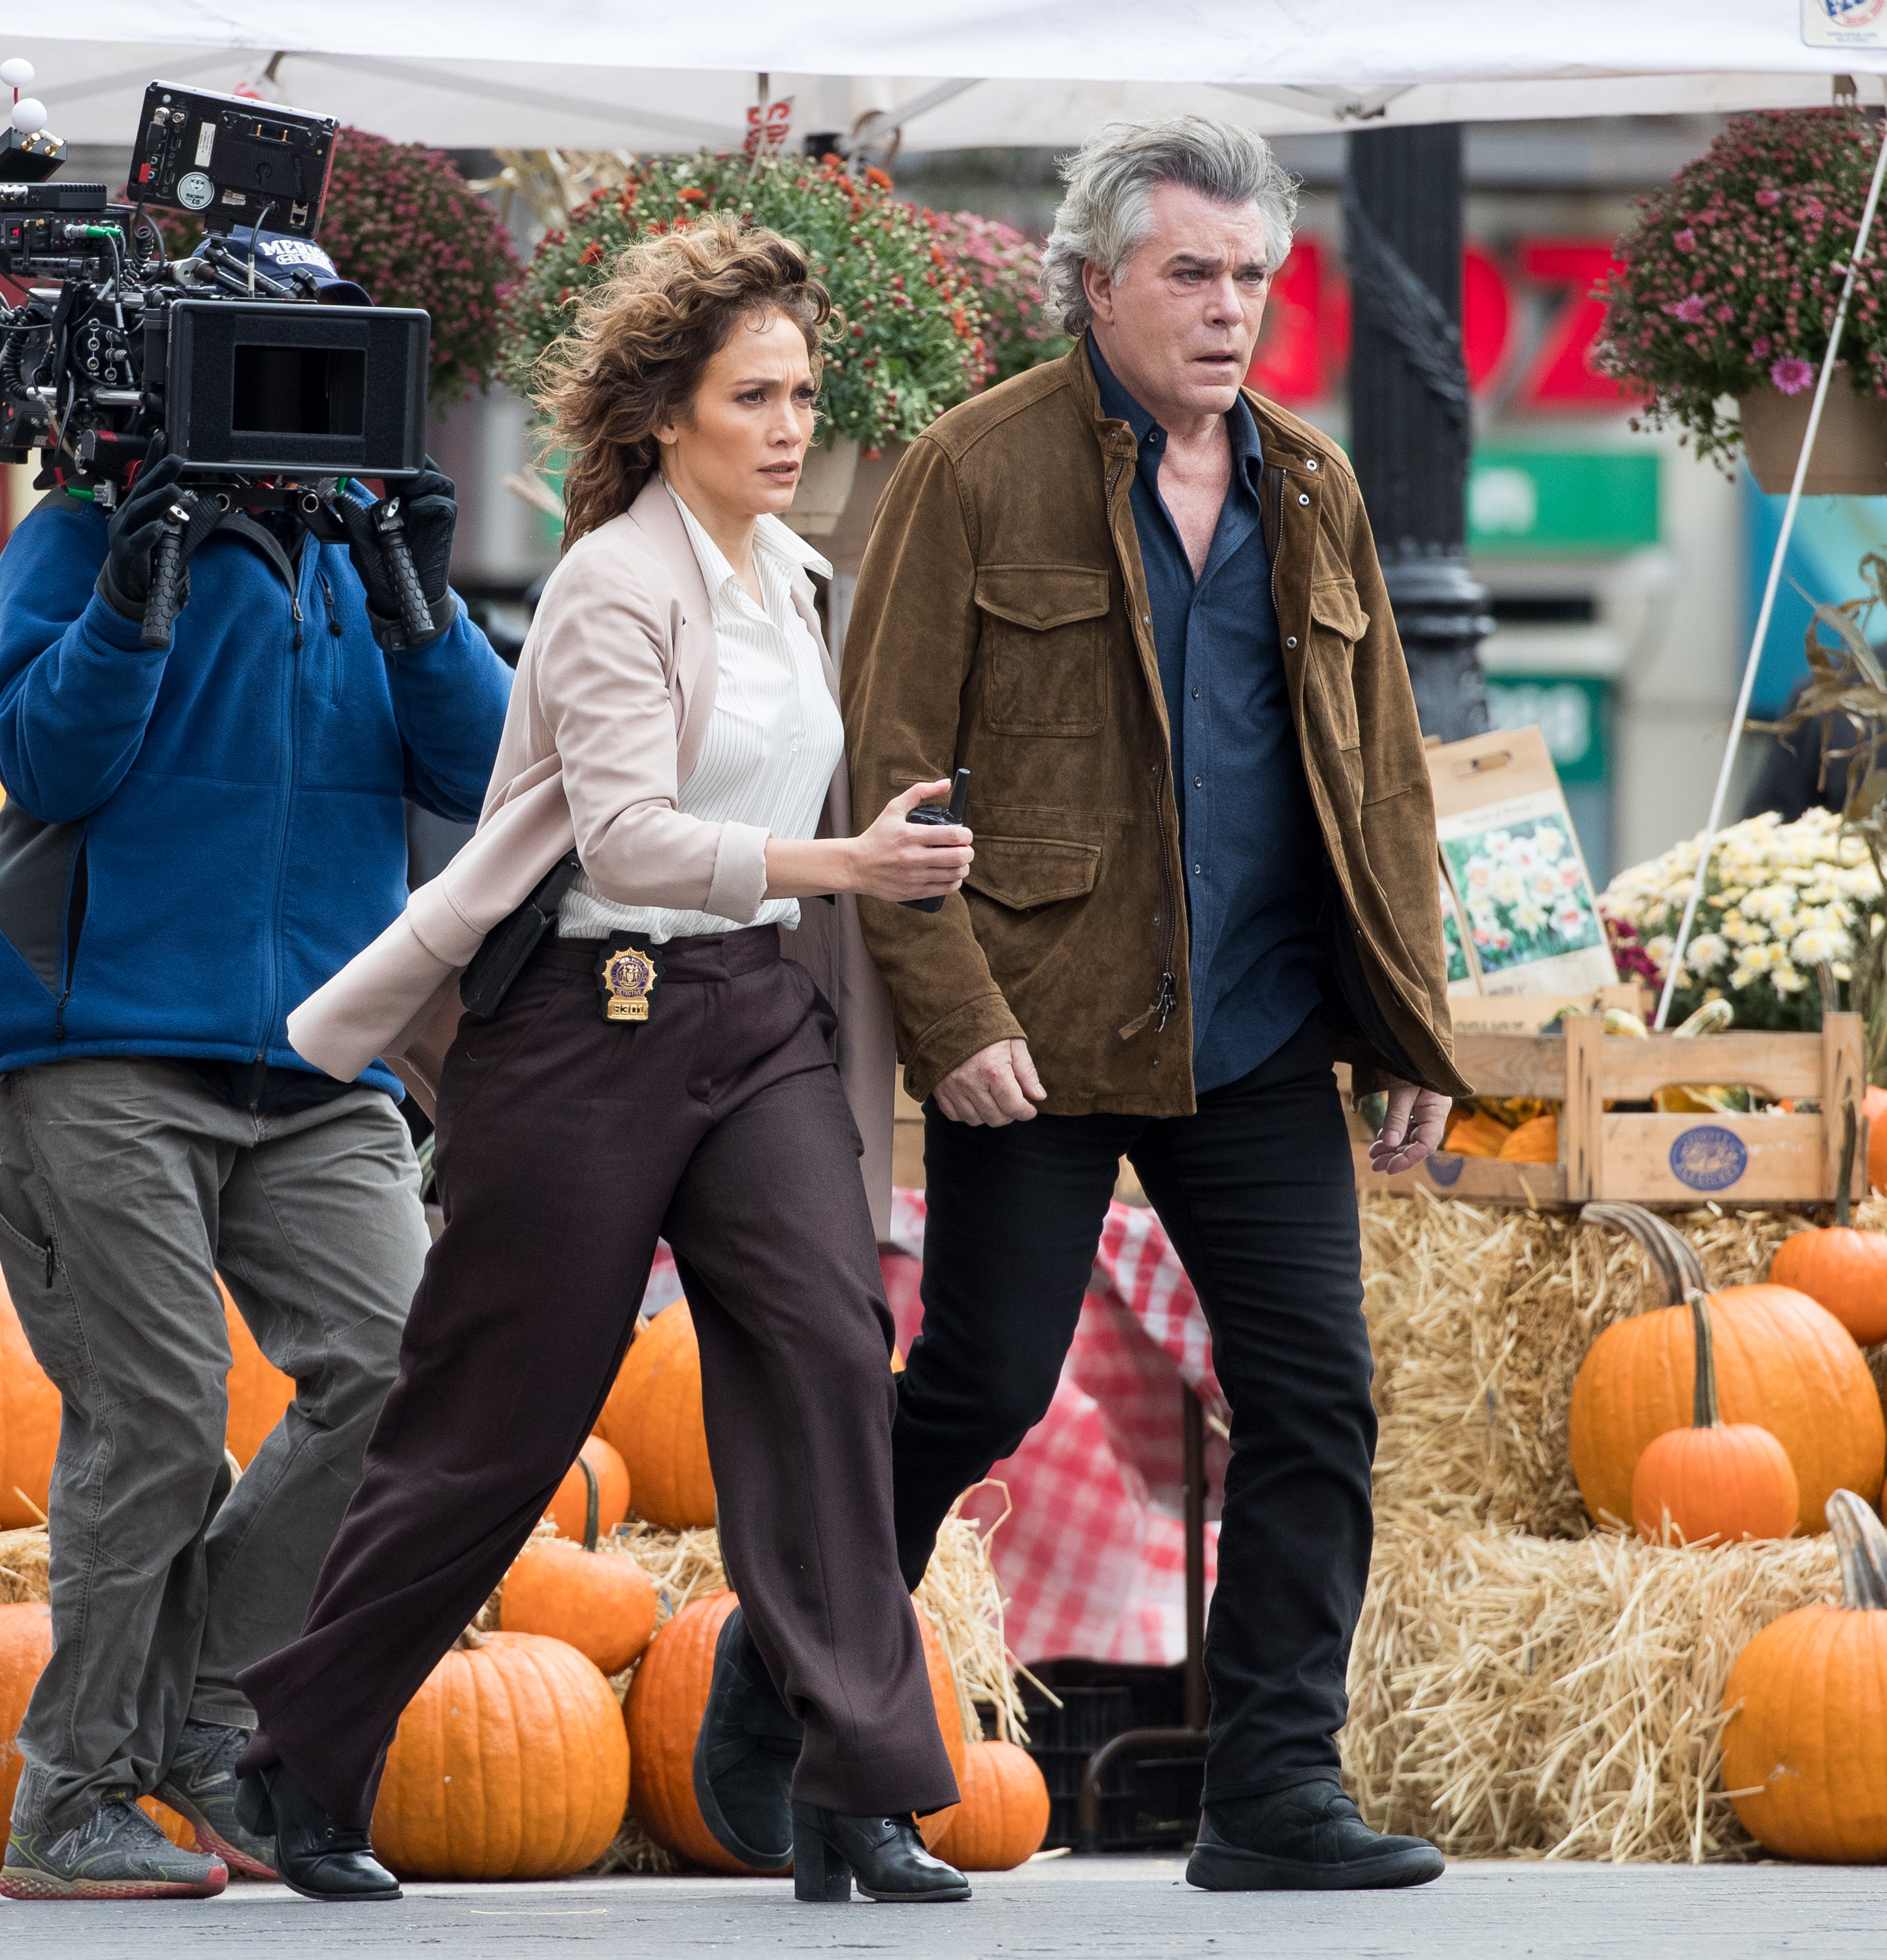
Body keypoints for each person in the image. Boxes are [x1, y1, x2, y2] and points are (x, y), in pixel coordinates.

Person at [232, 221, 973, 1907]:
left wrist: (861, 871)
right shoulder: (608, 585)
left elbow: (764, 805)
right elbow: (628, 837)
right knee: (500, 1416)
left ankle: (856, 1788)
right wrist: (846, 865)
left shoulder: (794, 582)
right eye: (753, 396)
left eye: (803, 394)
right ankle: (303, 1757)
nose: (791, 427)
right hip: (586, 1020)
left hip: (756, 1016)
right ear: (663, 415)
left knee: (826, 1355)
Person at [827, 115, 1468, 1891]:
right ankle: (796, 1706)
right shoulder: (972, 468)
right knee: (978, 1390)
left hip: (1256, 1031)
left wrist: (1410, 1024)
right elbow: (889, 771)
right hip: (1037, 1032)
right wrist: (955, 1017)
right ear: (1095, 284)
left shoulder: (1311, 486)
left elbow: (1381, 780)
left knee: (1316, 1402)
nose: (1227, 308)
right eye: (1190, 272)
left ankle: (1270, 1790)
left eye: (1250, 276)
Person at [0, 323, 512, 1891]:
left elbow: (492, 779)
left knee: (411, 1371)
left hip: (322, 1062)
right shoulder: (77, 530)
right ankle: (72, 1803)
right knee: (156, 1420)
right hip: (99, 1050)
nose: (294, 408)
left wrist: (427, 613)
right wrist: (127, 603)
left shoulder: (367, 553)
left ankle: (213, 1720)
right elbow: (43, 765)